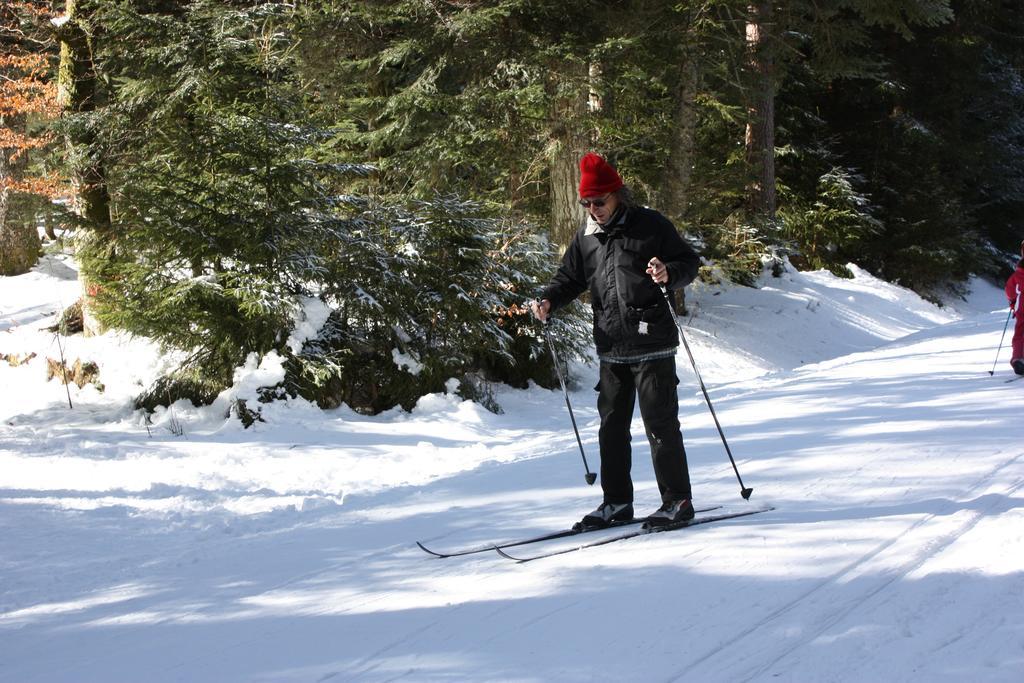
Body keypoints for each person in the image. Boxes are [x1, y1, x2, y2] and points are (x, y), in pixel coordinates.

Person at [531, 152, 701, 529]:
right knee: (611, 428)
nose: (594, 210)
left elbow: (689, 262)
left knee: (660, 424)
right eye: (587, 203)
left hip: (652, 341)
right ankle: (617, 503)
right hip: (611, 345)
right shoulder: (586, 238)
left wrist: (667, 273)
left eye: (599, 201)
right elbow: (569, 278)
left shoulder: (650, 225)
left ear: (617, 195)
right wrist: (549, 300)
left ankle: (678, 501)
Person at [1005, 239, 1024, 376]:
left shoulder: (1019, 273)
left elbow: (1010, 290)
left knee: (1021, 332)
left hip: (1022, 306)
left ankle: (1018, 359)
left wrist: (1012, 302)